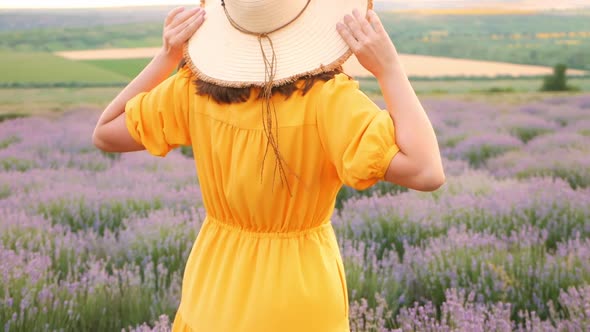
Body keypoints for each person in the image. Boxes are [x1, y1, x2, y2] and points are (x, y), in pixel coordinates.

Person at [92, 0, 445, 331]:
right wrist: (389, 69)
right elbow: (426, 171)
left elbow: (106, 133)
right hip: (300, 291)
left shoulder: (192, 90)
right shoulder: (329, 100)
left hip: (215, 285)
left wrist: (167, 56)